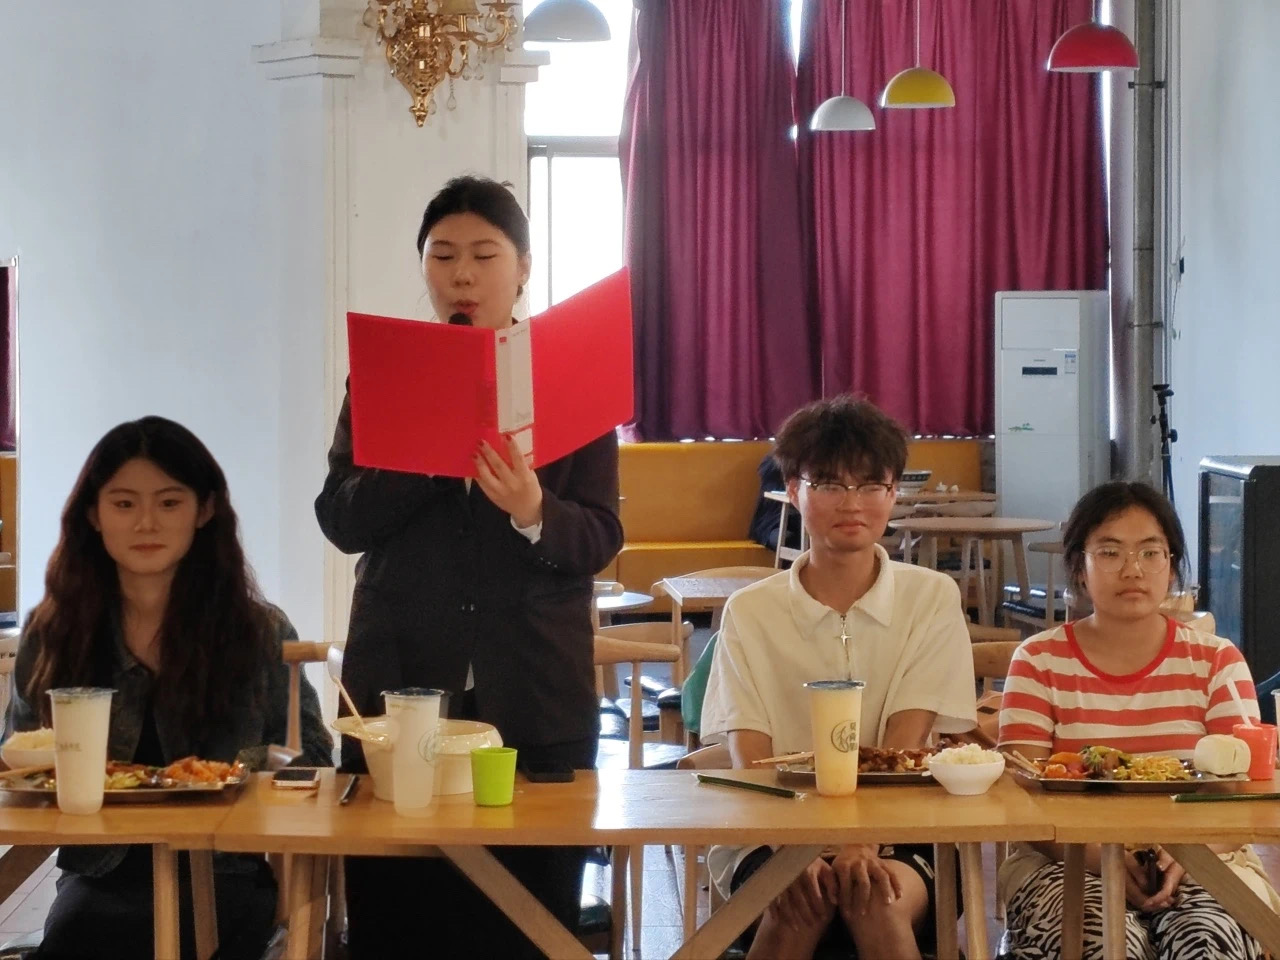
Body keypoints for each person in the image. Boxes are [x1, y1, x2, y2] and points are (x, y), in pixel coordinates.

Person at [316, 175, 623, 959]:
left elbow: (600, 537)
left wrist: (532, 508)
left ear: (522, 268)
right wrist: (425, 455)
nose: (462, 274)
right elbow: (341, 519)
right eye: (442, 255)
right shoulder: (383, 376)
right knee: (398, 922)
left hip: (535, 699)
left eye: (484, 255)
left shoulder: (569, 372)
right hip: (401, 693)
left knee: (527, 925)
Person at [3, 416, 332, 960]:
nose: (146, 522)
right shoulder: (53, 632)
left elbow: (313, 754)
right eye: (124, 503)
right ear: (94, 514)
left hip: (225, 869)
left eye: (170, 502)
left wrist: (231, 770)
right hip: (102, 875)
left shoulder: (259, 631)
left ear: (204, 511)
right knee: (79, 936)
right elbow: (20, 763)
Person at [700, 395, 977, 960]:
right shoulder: (751, 611)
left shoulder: (931, 597)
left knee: (873, 896)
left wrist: (861, 839)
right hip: (773, 826)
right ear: (793, 490)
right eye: (828, 484)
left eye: (870, 484)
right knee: (796, 899)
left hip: (901, 824)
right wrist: (794, 848)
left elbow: (906, 739)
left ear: (893, 492)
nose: (851, 503)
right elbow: (749, 752)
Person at [998, 481, 1278, 960]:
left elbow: (1244, 795)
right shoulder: (1038, 660)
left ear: (1171, 565)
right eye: (1110, 552)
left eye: (1151, 552)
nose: (1133, 569)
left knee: (1206, 943)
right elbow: (1021, 799)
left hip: (1208, 855)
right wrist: (1099, 857)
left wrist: (1190, 852)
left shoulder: (1217, 661)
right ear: (1079, 567)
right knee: (1103, 943)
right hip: (1066, 861)